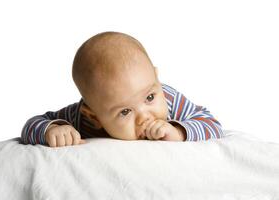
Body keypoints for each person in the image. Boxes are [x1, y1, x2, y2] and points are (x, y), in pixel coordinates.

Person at [21, 31, 224, 147]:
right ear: (94, 116)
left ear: (156, 78)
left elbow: (211, 123)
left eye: (150, 97)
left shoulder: (169, 99)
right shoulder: (81, 117)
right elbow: (32, 125)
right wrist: (53, 129)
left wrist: (179, 132)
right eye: (125, 111)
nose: (145, 117)